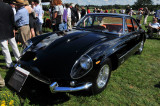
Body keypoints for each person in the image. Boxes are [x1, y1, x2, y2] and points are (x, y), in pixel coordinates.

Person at [0, 0, 20, 69]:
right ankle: (19, 60)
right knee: (14, 45)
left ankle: (9, 64)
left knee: (5, 47)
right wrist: (14, 27)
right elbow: (12, 19)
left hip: (1, 30)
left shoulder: (8, 6)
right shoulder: (8, 7)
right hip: (9, 29)